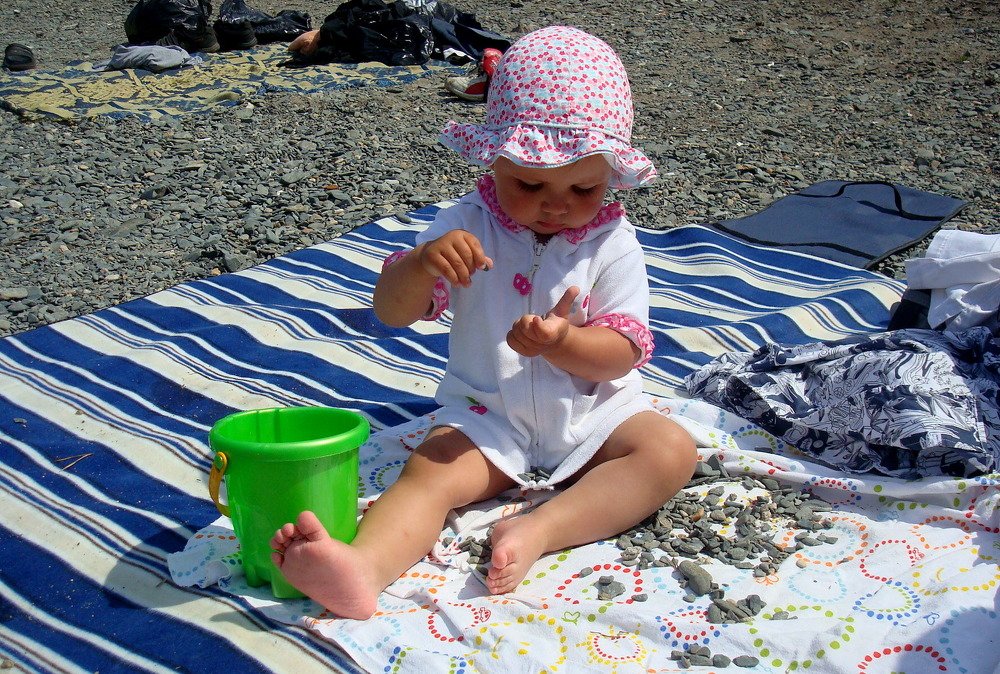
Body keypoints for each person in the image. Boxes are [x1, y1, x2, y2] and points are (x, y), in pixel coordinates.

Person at [270, 25, 698, 620]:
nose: (556, 204)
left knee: (670, 451)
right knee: (429, 474)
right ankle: (362, 568)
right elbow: (391, 312)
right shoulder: (466, 224)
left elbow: (624, 352)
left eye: (584, 188)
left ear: (611, 175)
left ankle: (543, 528)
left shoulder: (611, 242)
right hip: (486, 414)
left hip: (595, 415)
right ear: (492, 157)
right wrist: (422, 263)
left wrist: (564, 342)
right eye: (530, 182)